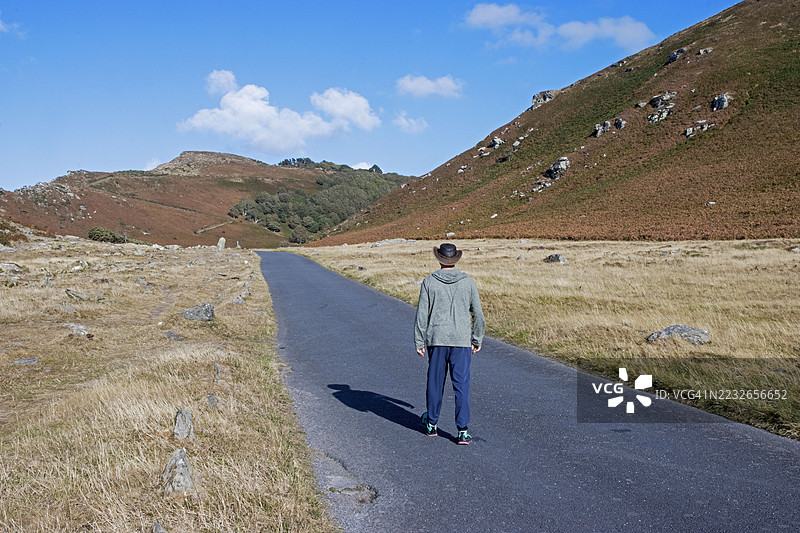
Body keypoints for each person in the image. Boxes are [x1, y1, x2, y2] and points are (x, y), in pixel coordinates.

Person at [414, 243, 485, 445]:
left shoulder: (429, 282)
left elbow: (422, 315)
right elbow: (478, 315)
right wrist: (477, 338)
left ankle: (432, 424)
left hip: (437, 339)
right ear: (456, 259)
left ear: (439, 259)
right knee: (461, 385)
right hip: (461, 341)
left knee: (435, 383)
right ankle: (462, 431)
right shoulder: (468, 282)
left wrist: (419, 340)